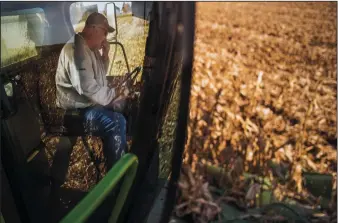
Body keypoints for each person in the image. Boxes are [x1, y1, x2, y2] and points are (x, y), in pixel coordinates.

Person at [55, 12, 129, 169]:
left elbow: (99, 78)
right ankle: (116, 181)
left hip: (89, 105)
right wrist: (115, 94)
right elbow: (88, 86)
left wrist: (105, 55)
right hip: (77, 113)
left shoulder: (90, 49)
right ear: (94, 29)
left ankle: (120, 163)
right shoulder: (76, 50)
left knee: (123, 111)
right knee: (117, 123)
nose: (105, 38)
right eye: (104, 33)